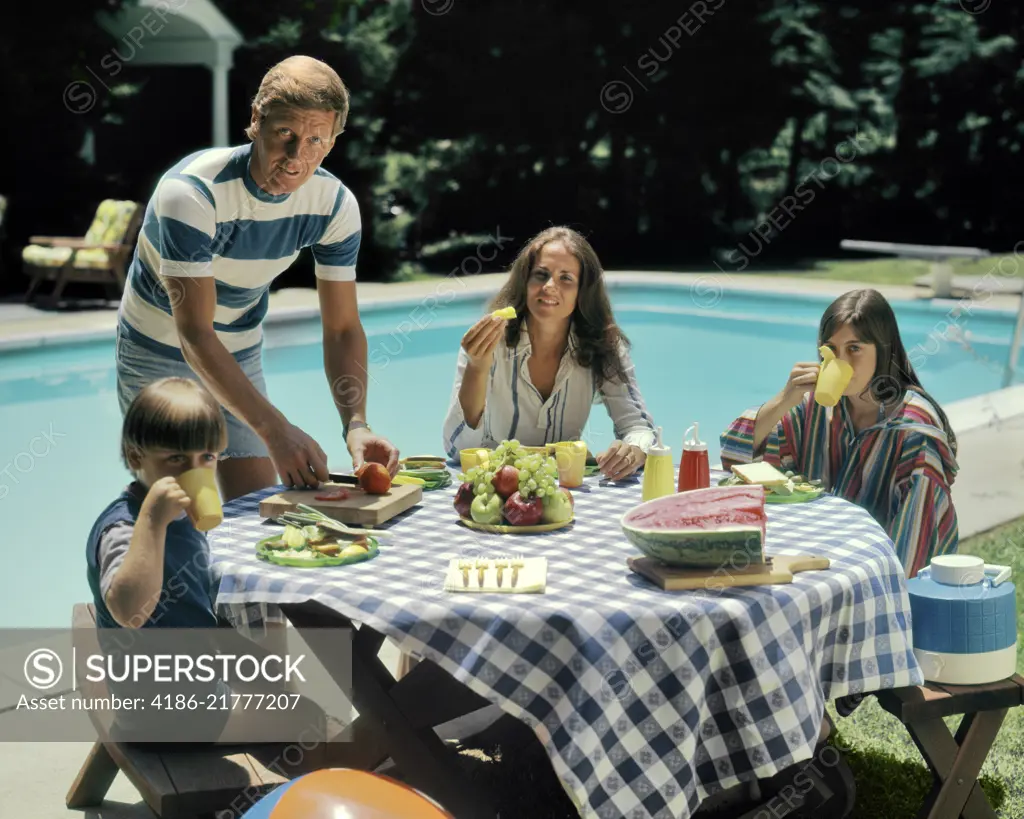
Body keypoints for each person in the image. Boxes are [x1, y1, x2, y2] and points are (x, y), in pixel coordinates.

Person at [114, 54, 400, 507]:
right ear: (256, 119)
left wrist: (356, 424)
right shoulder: (191, 194)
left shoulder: (334, 207)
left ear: (332, 142)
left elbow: (342, 327)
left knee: (257, 510)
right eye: (286, 134)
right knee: (184, 513)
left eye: (315, 141)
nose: (296, 157)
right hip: (157, 354)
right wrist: (275, 428)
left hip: (236, 352)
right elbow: (194, 332)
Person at [85, 377, 327, 753]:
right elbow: (128, 612)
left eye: (206, 458)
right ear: (136, 459)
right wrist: (152, 522)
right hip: (167, 718)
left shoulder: (180, 517)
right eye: (176, 459)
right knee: (306, 719)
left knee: (277, 685)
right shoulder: (126, 527)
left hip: (182, 693)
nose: (193, 472)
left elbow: (191, 609)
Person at [720, 288, 959, 580]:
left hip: (880, 582)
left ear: (884, 350)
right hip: (818, 566)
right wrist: (783, 400)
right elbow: (736, 458)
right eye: (831, 350)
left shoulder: (915, 432)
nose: (840, 362)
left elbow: (911, 552)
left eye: (854, 349)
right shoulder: (814, 408)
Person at [442, 226, 657, 480]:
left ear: (582, 291)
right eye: (540, 275)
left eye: (566, 278)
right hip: (495, 487)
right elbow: (458, 450)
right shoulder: (488, 341)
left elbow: (638, 427)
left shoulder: (604, 346)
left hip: (567, 494)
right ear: (525, 282)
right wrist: (477, 368)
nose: (549, 286)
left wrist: (633, 450)